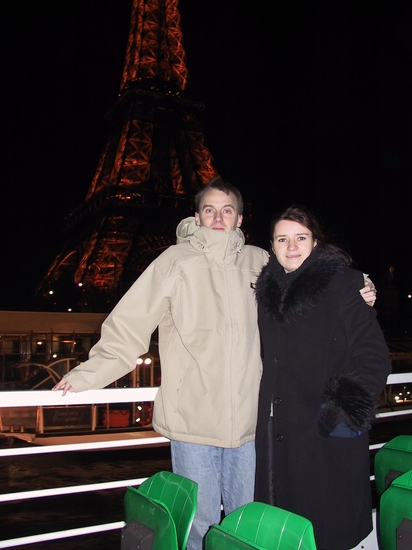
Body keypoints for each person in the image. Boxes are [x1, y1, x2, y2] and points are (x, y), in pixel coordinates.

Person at [53, 182, 376, 550]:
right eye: (209, 209)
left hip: (249, 422)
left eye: (227, 210)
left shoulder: (260, 260)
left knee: (247, 522)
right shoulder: (174, 262)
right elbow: (131, 323)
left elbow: (309, 274)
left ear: (239, 218)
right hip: (194, 421)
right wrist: (87, 375)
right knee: (198, 525)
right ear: (197, 217)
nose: (218, 217)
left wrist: (360, 285)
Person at [254, 205, 391, 550]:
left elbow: (374, 358)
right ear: (271, 246)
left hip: (324, 436)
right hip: (279, 435)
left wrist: (338, 417)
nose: (292, 246)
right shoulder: (267, 292)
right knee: (286, 532)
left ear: (315, 242)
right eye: (282, 239)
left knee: (328, 532)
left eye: (300, 237)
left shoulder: (343, 284)